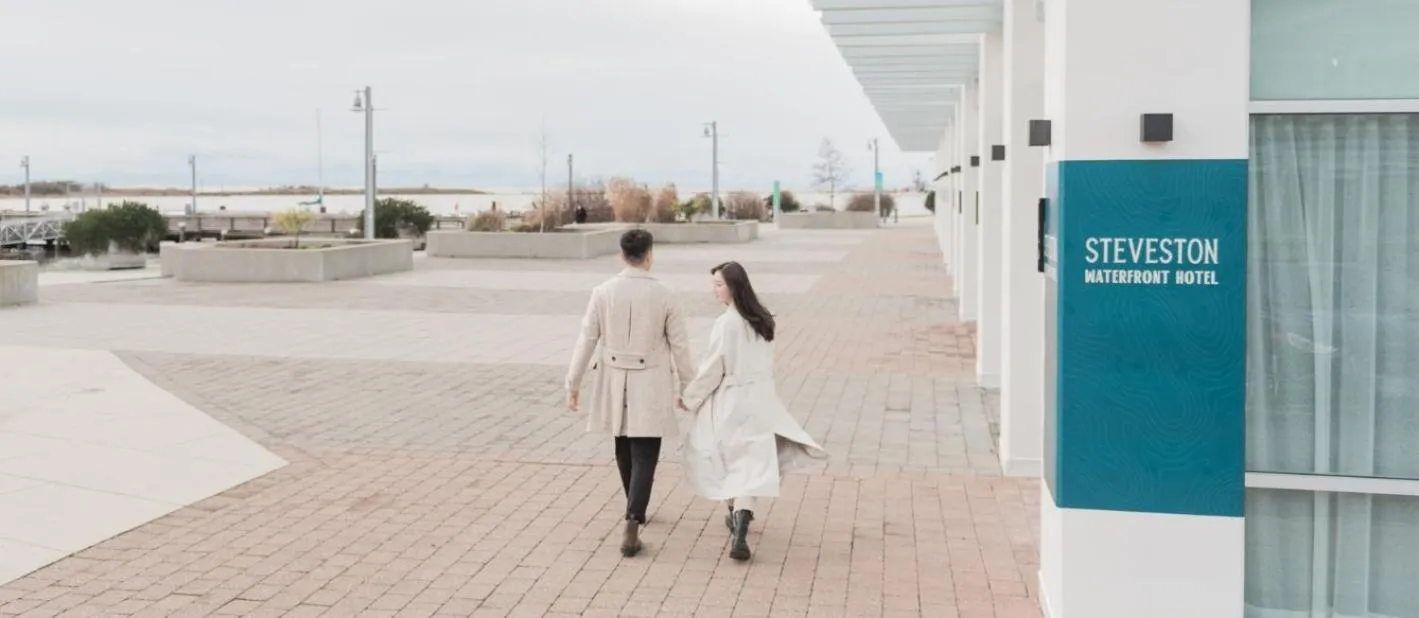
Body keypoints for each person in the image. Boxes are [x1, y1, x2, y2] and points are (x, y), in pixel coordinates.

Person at [679, 262, 828, 561]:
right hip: (761, 399)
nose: (714, 290)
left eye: (719, 284)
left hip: (731, 399)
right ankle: (741, 523)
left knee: (722, 456)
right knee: (750, 463)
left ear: (734, 286)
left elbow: (713, 368)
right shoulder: (763, 319)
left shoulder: (727, 323)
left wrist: (689, 397)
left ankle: (735, 512)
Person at [566, 229, 695, 557]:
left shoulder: (602, 291)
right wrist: (689, 387)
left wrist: (573, 383)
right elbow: (680, 346)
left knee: (622, 442)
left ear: (622, 255)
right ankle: (633, 518)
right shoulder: (665, 294)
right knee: (646, 450)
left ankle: (633, 508)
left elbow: (586, 339)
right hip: (650, 379)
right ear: (649, 254)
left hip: (613, 378)